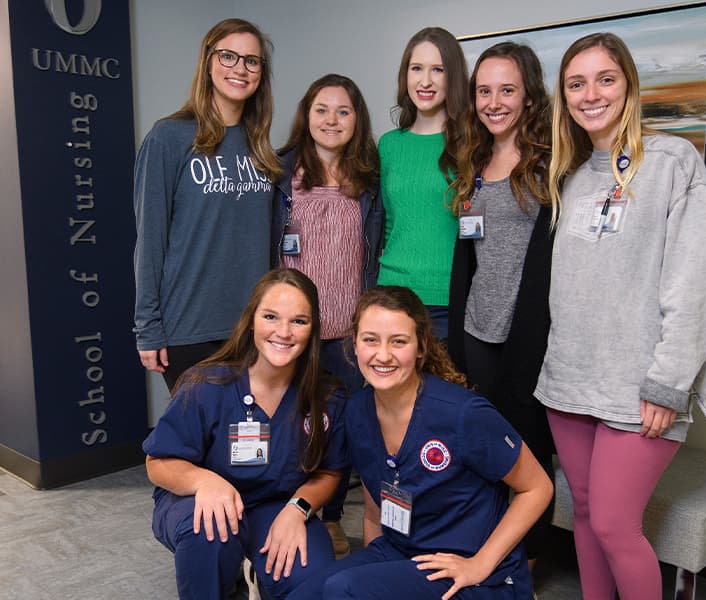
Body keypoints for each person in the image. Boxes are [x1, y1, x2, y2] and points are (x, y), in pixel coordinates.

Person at [535, 32, 706, 600]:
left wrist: (668, 383)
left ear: (628, 85)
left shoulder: (672, 161)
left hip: (640, 385)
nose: (590, 94)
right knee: (588, 516)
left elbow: (695, 282)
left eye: (605, 79)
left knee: (618, 524)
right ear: (563, 97)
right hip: (570, 380)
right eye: (576, 83)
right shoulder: (569, 174)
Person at [287, 286, 554, 599]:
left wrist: (480, 564)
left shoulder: (462, 413)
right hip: (402, 553)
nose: (382, 355)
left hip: (471, 573)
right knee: (305, 595)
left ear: (421, 347)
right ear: (355, 345)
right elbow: (376, 510)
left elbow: (538, 488)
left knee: (344, 590)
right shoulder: (357, 411)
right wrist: (378, 578)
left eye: (398, 341)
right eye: (370, 339)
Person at [143, 268, 347, 600]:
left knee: (312, 579)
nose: (283, 332)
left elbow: (329, 471)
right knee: (209, 534)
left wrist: (298, 508)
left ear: (313, 330)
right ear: (251, 320)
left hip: (276, 505)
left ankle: (259, 571)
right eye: (271, 317)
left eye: (299, 321)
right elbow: (158, 462)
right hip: (198, 500)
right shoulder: (207, 385)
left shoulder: (327, 396)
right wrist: (204, 481)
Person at [447, 41, 556, 577]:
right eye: (484, 90)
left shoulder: (553, 163)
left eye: (507, 90)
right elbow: (468, 254)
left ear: (529, 96)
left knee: (529, 452)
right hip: (478, 330)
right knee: (485, 447)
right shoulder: (474, 161)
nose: (494, 102)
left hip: (531, 336)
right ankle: (488, 552)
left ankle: (526, 568)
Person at [134, 18, 280, 390]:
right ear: (208, 61)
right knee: (197, 444)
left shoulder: (261, 148)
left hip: (254, 327)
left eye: (252, 61)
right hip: (190, 326)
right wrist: (147, 328)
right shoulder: (169, 137)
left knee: (251, 445)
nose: (240, 68)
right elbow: (150, 240)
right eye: (228, 56)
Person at [272, 73, 383, 558]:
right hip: (289, 333)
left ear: (357, 120)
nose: (332, 120)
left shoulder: (370, 180)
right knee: (288, 426)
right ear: (306, 115)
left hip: (346, 335)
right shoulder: (279, 171)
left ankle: (332, 517)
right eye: (322, 109)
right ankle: (282, 512)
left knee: (337, 429)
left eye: (343, 111)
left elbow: (374, 249)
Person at [376, 27, 469, 339]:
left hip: (448, 298)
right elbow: (390, 224)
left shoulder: (471, 143)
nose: (425, 81)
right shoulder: (389, 145)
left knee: (442, 389)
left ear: (453, 77)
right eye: (416, 68)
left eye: (438, 70)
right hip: (391, 295)